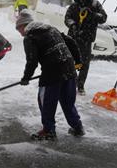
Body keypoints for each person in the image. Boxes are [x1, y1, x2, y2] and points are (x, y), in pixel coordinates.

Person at [16, 9, 85, 140]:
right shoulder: (50, 29)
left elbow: (32, 61)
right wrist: (78, 62)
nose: (19, 33)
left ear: (24, 26)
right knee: (67, 102)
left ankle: (48, 131)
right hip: (69, 70)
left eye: (18, 29)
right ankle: (77, 127)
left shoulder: (30, 37)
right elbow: (71, 42)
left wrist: (26, 78)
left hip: (52, 72)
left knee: (46, 101)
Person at [64, 0, 107, 95]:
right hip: (73, 38)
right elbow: (67, 18)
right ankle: (70, 83)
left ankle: (80, 85)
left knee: (84, 63)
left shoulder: (95, 5)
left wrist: (93, 15)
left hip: (87, 39)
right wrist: (72, 25)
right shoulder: (74, 6)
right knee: (71, 61)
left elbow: (103, 18)